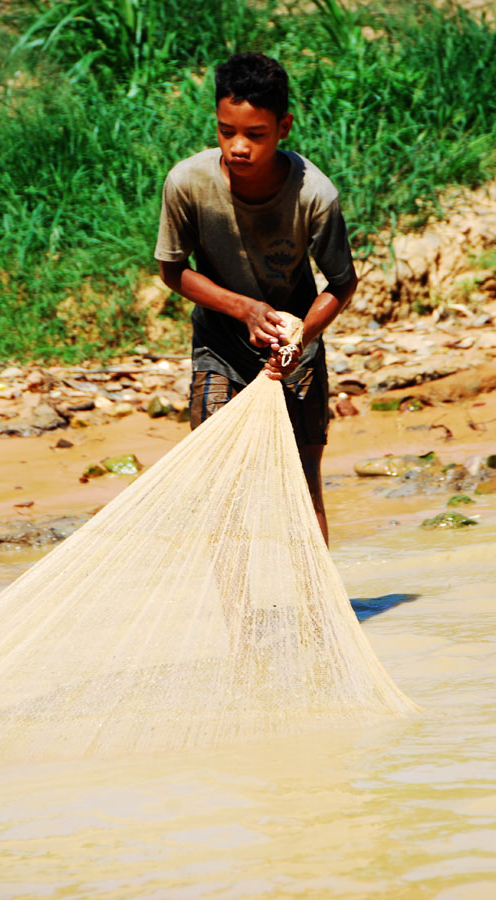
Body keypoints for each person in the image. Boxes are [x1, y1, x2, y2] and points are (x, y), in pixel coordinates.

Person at [155, 51, 357, 545]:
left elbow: (341, 283)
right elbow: (173, 270)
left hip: (294, 353)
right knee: (219, 483)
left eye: (256, 134)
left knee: (303, 485)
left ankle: (312, 596)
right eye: (226, 131)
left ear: (284, 127)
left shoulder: (314, 194)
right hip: (221, 347)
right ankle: (234, 598)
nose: (238, 147)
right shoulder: (188, 183)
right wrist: (244, 309)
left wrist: (300, 337)